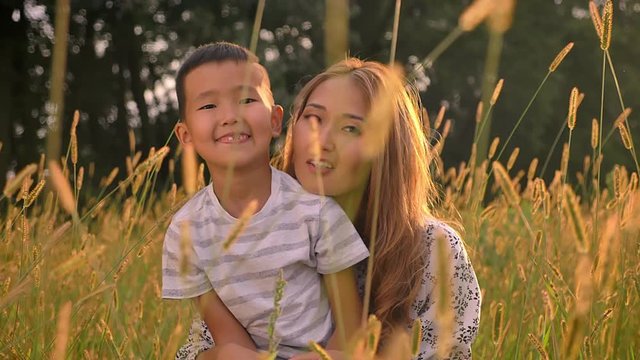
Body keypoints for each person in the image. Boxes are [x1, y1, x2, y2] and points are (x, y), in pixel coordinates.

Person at [181, 58, 481, 359]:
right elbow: (198, 347)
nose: (320, 141)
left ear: (386, 147)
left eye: (350, 128)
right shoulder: (246, 235)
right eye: (313, 119)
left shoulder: (430, 251)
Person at [163, 42, 369, 360]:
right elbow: (228, 337)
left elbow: (350, 329)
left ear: (275, 121)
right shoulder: (185, 232)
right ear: (185, 135)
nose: (230, 116)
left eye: (246, 99)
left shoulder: (316, 214)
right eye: (208, 106)